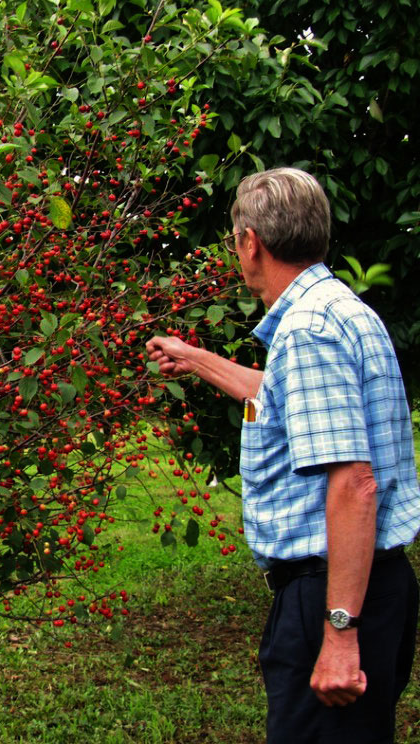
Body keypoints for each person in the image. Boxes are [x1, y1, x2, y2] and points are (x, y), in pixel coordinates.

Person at [146, 167, 420, 743]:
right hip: (370, 584)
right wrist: (194, 357)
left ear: (251, 242)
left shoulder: (308, 330)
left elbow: (354, 483)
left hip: (332, 594)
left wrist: (340, 632)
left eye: (234, 240)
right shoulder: (338, 308)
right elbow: (280, 396)